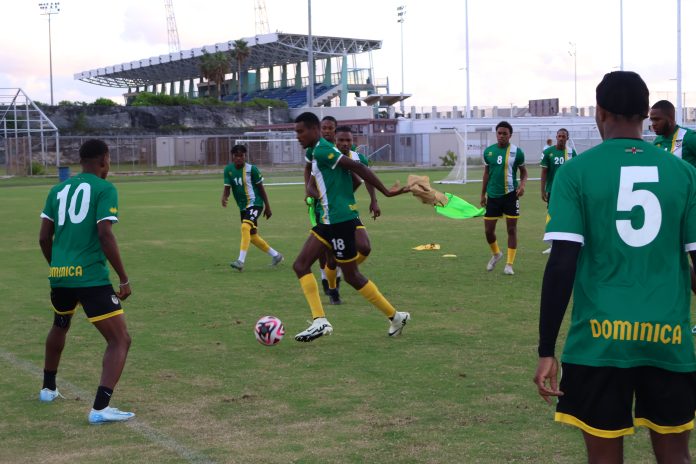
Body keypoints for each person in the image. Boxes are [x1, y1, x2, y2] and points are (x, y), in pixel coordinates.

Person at [534, 71, 696, 463]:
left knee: (604, 456)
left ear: (599, 112)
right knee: (675, 451)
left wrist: (545, 349)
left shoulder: (575, 172)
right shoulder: (684, 173)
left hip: (600, 341)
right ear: (645, 113)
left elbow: (562, 265)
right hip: (669, 338)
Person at [38, 139, 135, 424]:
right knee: (120, 340)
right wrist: (124, 277)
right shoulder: (105, 188)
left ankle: (48, 388)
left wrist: (58, 267)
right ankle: (100, 408)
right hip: (90, 277)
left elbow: (44, 238)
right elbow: (105, 233)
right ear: (104, 159)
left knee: (60, 324)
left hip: (60, 276)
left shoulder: (57, 189)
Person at [293, 112, 410, 342]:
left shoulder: (321, 150)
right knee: (301, 265)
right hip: (329, 220)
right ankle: (320, 320)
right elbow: (352, 178)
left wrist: (385, 192)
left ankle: (395, 316)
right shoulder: (318, 150)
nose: (297, 136)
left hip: (340, 221)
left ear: (314, 129)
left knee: (352, 276)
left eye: (300, 131)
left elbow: (358, 169)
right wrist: (318, 192)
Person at [222, 144, 283, 271]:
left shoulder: (252, 170)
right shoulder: (228, 169)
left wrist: (268, 206)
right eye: (236, 156)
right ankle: (276, 255)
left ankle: (240, 261)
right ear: (232, 157)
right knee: (253, 236)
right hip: (243, 207)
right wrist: (224, 197)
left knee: (245, 227)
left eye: (241, 156)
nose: (239, 158)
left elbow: (261, 188)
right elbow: (227, 187)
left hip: (256, 203)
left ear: (245, 156)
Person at [480, 121, 528, 275]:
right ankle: (496, 254)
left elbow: (524, 172)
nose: (501, 136)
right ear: (496, 134)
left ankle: (509, 264)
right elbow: (486, 173)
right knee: (488, 231)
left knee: (511, 229)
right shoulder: (488, 152)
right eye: (499, 133)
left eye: (504, 133)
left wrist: (522, 186)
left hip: (510, 195)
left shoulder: (517, 152)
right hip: (493, 196)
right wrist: (482, 194)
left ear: (510, 135)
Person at [335, 125, 380, 264]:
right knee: (329, 252)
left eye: (348, 140)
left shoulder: (358, 159)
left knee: (364, 247)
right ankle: (330, 279)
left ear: (352, 141)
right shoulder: (327, 156)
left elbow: (367, 178)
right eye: (341, 140)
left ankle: (346, 269)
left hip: (349, 207)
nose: (345, 143)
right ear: (335, 140)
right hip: (328, 209)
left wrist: (374, 200)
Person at [540, 128, 577, 254]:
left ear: (567, 138)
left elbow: (575, 172)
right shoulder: (548, 152)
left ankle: (567, 242)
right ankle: (553, 244)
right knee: (552, 216)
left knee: (568, 215)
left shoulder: (571, 153)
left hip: (568, 191)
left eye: (563, 136)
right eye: (559, 136)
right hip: (553, 190)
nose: (561, 138)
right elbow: (544, 172)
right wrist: (543, 190)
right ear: (556, 137)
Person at [649, 99, 696, 167]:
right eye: (652, 120)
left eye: (657, 119)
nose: (653, 124)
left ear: (670, 119)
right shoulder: (657, 141)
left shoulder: (689, 137)